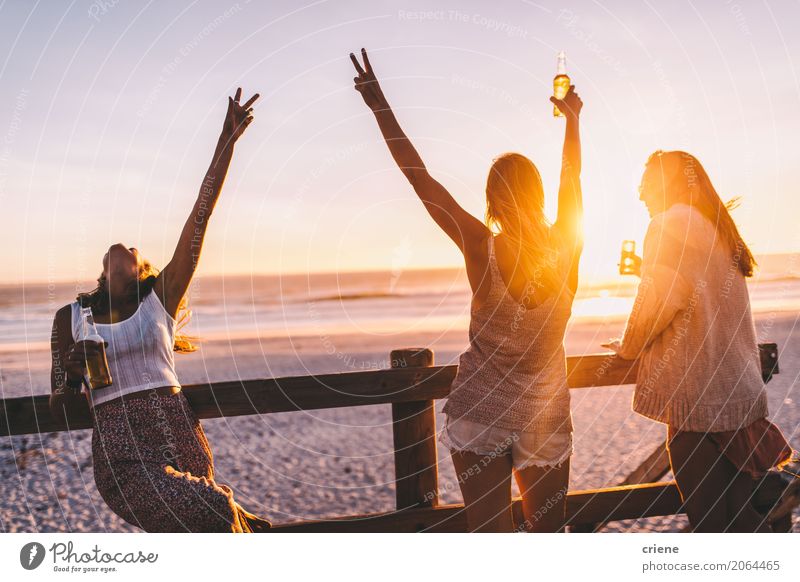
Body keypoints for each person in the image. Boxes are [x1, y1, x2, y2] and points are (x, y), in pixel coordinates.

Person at [350, 48, 584, 532]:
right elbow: (572, 179)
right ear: (538, 195)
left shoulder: (481, 245)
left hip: (480, 413)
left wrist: (380, 108)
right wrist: (572, 121)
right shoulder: (567, 248)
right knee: (548, 540)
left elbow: (421, 181)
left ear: (492, 197)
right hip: (544, 415)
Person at [49, 88, 272, 533]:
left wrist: (224, 144)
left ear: (141, 269)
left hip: (180, 434)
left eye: (135, 249)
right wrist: (72, 376)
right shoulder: (70, 318)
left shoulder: (158, 302)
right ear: (103, 271)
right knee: (212, 509)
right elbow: (59, 407)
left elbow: (201, 217)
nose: (126, 245)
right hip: (121, 450)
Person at [605, 150, 793, 532]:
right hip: (739, 397)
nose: (640, 195)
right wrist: (646, 271)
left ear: (664, 182)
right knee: (741, 529)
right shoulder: (714, 225)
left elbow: (657, 303)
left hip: (700, 406)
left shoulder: (665, 224)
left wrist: (627, 348)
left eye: (644, 184)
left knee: (712, 529)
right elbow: (697, 291)